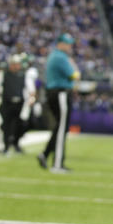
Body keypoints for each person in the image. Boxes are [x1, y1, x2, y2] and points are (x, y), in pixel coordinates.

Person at [37, 34, 79, 173]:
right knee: (62, 129)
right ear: (60, 43)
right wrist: (73, 66)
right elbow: (74, 75)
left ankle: (45, 153)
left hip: (54, 92)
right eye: (67, 44)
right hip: (60, 93)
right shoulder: (60, 57)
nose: (69, 46)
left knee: (60, 128)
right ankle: (57, 164)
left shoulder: (55, 55)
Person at [0, 53, 27, 154]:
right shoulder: (3, 74)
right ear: (11, 64)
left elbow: (27, 89)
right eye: (16, 64)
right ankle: (6, 146)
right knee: (6, 125)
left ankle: (16, 144)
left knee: (19, 124)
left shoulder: (22, 75)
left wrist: (31, 98)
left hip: (20, 102)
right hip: (7, 102)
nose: (18, 66)